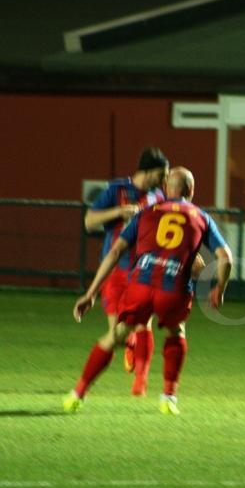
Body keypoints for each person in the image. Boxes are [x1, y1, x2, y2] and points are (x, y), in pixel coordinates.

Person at [65, 167, 233, 416]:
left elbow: (115, 251)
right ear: (191, 191)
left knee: (115, 336)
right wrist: (220, 288)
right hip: (173, 290)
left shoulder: (146, 212)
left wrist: (90, 293)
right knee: (176, 332)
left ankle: (77, 394)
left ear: (166, 188)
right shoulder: (201, 217)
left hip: (141, 286)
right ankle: (168, 398)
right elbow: (225, 258)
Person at [84, 146, 168, 396]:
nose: (164, 180)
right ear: (149, 171)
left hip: (143, 270)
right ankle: (129, 342)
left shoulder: (159, 198)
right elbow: (89, 221)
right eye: (161, 174)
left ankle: (141, 380)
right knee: (116, 335)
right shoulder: (117, 190)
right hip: (114, 269)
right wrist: (119, 212)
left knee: (144, 324)